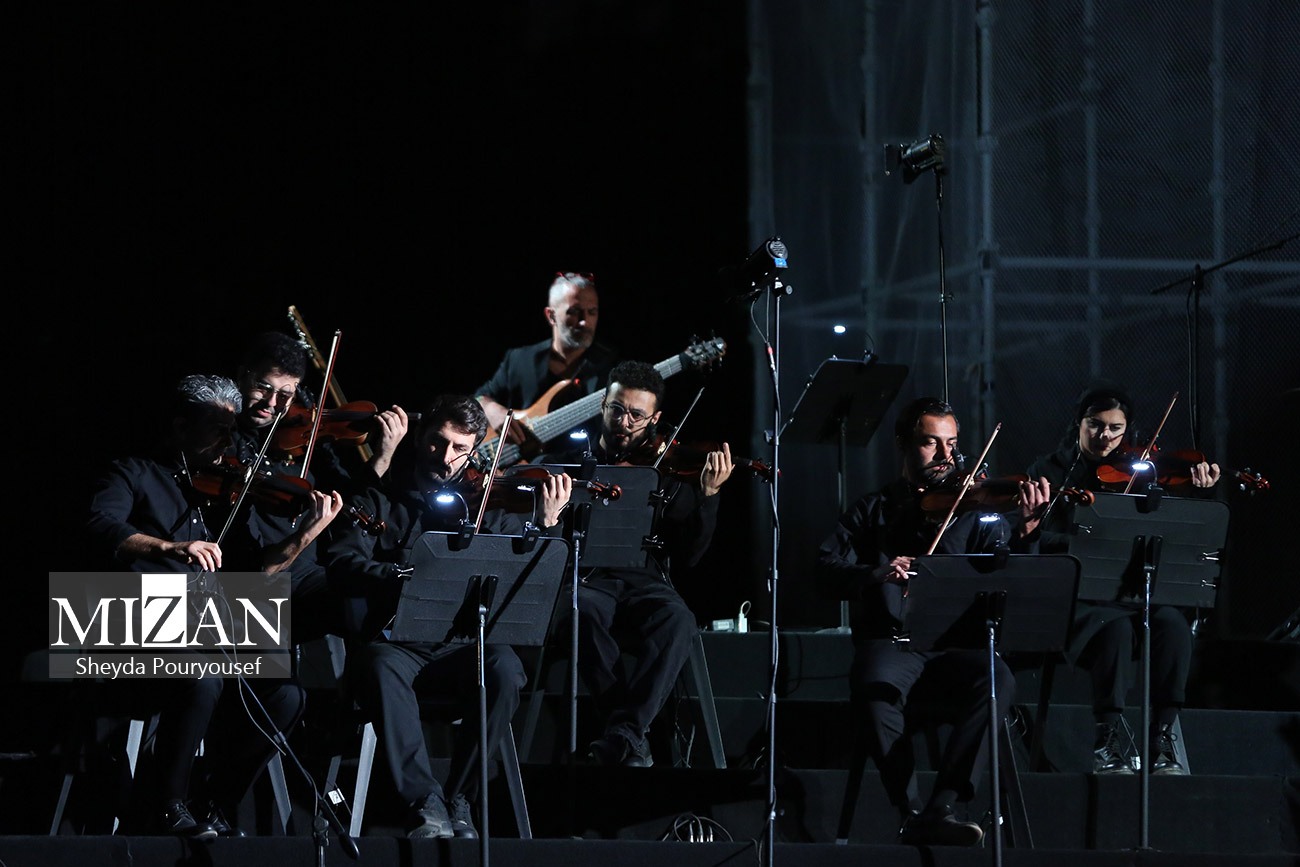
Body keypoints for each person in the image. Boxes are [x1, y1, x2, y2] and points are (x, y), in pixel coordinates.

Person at [84, 374, 342, 838]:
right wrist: (168, 546)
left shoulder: (223, 493)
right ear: (181, 426)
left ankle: (215, 803)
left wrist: (305, 535)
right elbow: (100, 524)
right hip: (129, 622)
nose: (229, 441)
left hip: (201, 626)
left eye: (231, 430)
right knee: (202, 675)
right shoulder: (133, 472)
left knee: (286, 696)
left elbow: (258, 574)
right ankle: (166, 804)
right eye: (217, 430)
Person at [324, 395, 572, 839]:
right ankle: (425, 802)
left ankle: (460, 800)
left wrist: (545, 526)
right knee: (378, 667)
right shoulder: (381, 492)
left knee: (505, 668)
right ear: (420, 436)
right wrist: (400, 575)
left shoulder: (486, 501)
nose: (446, 457)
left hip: (461, 646)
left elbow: (526, 577)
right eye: (438, 442)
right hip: (396, 643)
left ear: (475, 449)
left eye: (460, 448)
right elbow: (341, 559)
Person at [814, 397, 1049, 846]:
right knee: (874, 690)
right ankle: (910, 812)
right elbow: (823, 570)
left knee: (997, 678)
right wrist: (876, 573)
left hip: (955, 646)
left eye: (953, 445)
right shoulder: (874, 509)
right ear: (903, 444)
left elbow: (1010, 580)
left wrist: (1026, 536)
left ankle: (943, 805)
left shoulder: (977, 512)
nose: (946, 456)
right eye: (931, 443)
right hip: (894, 643)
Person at [538, 359, 734, 768]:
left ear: (655, 419)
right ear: (602, 406)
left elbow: (690, 556)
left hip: (645, 582)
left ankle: (622, 735)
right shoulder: (570, 462)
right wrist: (550, 516)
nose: (624, 423)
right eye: (617, 410)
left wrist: (708, 498)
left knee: (678, 619)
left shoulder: (667, 473)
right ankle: (628, 735)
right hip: (588, 580)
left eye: (636, 415)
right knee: (576, 612)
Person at [1026, 381, 1219, 776]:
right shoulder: (1048, 471)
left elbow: (1170, 532)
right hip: (1078, 598)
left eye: (1116, 428)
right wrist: (1085, 542)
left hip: (1129, 592)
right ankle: (1107, 738)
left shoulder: (1140, 471)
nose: (1105, 437)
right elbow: (1035, 539)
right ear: (1079, 423)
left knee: (1173, 626)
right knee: (1113, 630)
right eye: (1095, 425)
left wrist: (1200, 494)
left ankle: (1162, 736)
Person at [232, 330, 409, 642]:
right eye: (263, 387)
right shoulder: (222, 435)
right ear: (242, 376)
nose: (272, 403)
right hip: (250, 574)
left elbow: (350, 500)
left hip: (303, 575)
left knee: (367, 602)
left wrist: (383, 455)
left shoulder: (306, 441)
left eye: (285, 394)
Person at [474, 271, 617, 455]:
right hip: (513, 464)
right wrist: (493, 410)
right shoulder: (520, 359)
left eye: (592, 312)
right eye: (574, 311)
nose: (585, 322)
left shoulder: (611, 365)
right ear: (551, 316)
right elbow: (479, 398)